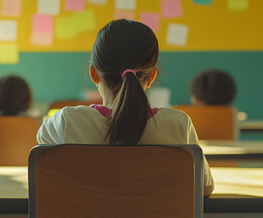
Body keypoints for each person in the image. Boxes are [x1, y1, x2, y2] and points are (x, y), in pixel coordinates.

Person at [37, 19, 214, 196]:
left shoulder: (68, 121)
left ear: (93, 74)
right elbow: (204, 188)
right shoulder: (179, 124)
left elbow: (41, 145)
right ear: (152, 76)